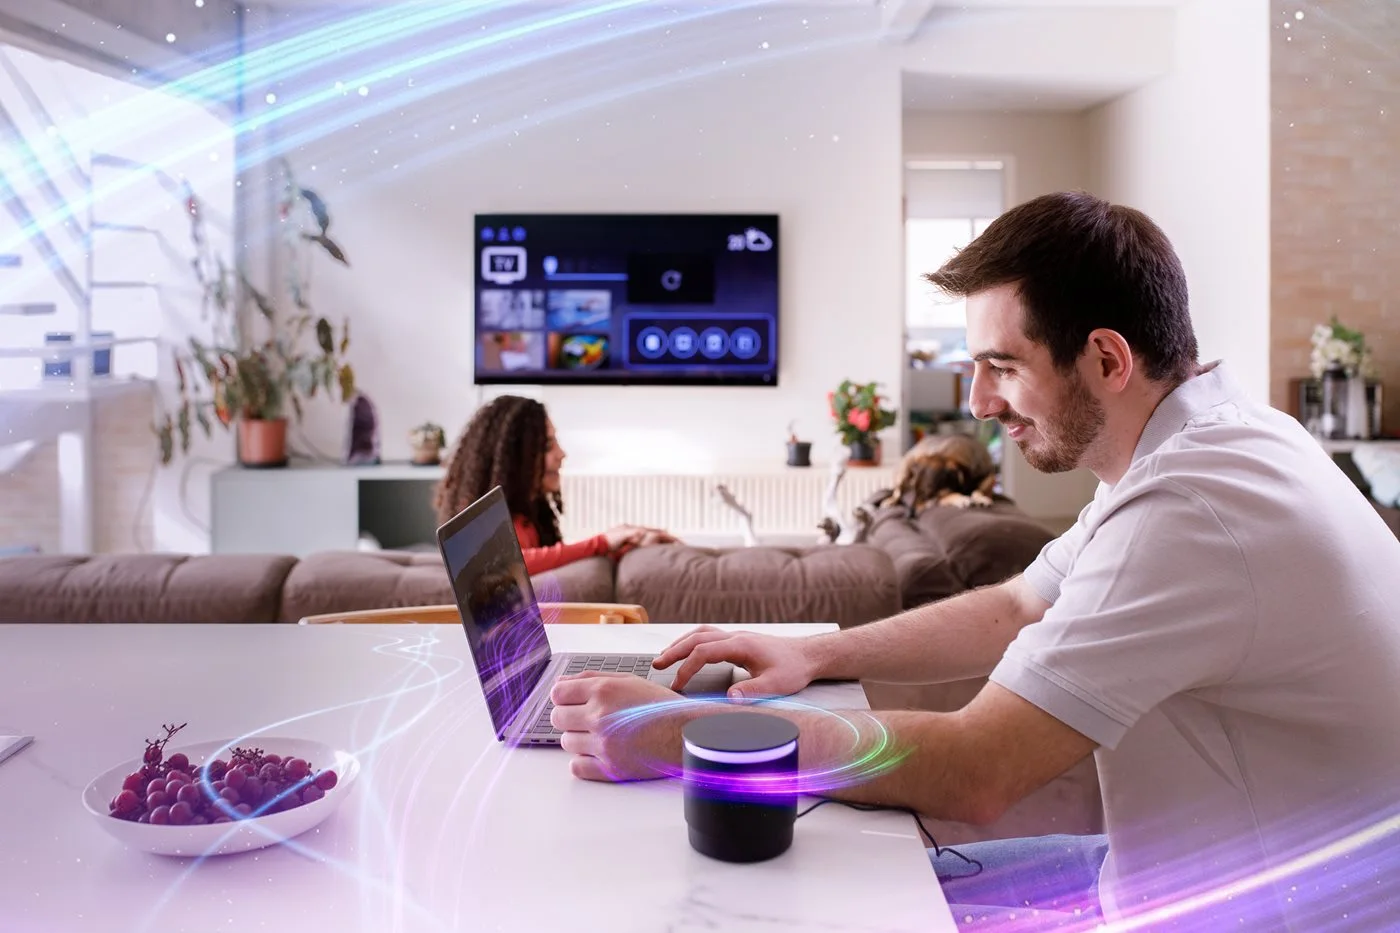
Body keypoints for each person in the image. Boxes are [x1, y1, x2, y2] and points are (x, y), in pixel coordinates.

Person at [546, 192, 1400, 930]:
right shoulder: (1221, 439)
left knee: (810, 907)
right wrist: (815, 652)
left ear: (1107, 359)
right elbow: (1022, 604)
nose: (981, 402)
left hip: (1263, 909)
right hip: (1216, 870)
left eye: (1003, 366)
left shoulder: (1188, 511)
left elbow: (978, 767)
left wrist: (683, 734)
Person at [435, 396, 675, 574]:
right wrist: (601, 542)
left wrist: (624, 545)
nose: (562, 454)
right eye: (547, 446)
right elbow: (506, 564)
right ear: (513, 459)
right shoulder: (485, 529)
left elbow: (554, 562)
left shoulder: (527, 517)